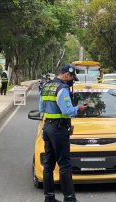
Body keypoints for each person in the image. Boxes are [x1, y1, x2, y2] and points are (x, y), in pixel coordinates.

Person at [39, 64, 88, 202]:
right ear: (67, 74)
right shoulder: (62, 88)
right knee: (65, 164)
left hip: (47, 127)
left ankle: (49, 197)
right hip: (59, 130)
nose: (71, 80)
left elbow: (41, 107)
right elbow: (67, 111)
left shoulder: (46, 86)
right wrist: (78, 108)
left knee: (48, 164)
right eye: (72, 77)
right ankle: (69, 198)